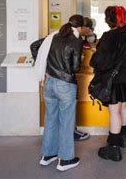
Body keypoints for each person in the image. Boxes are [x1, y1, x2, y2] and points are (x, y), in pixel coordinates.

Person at [37, 15, 84, 172]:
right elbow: (76, 68)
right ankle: (65, 159)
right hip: (65, 84)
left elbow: (34, 46)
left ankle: (47, 155)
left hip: (49, 83)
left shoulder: (53, 36)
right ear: (80, 27)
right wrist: (81, 58)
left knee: (50, 118)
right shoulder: (76, 41)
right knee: (66, 121)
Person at [90, 6, 126, 162]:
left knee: (114, 111)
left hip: (114, 80)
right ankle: (123, 138)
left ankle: (114, 148)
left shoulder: (109, 36)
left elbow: (101, 60)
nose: (104, 19)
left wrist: (94, 56)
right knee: (123, 107)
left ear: (111, 19)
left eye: (106, 17)